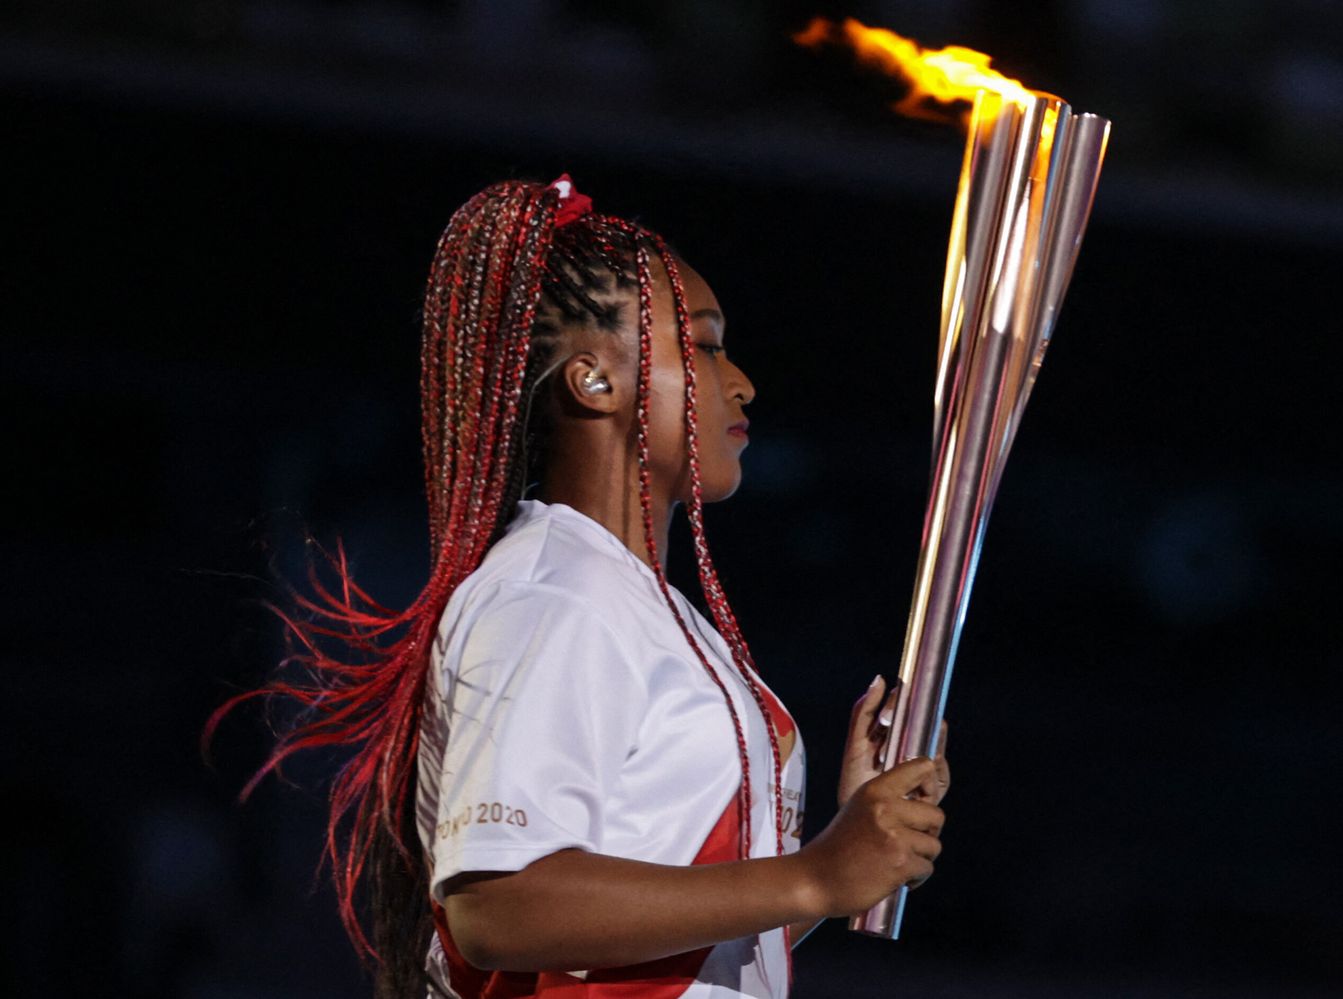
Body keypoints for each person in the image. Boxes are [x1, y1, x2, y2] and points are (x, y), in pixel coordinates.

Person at [212, 177, 951, 999]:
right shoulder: (552, 592)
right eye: (702, 346)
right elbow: (500, 905)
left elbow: (669, 962)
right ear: (595, 380)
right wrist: (814, 875)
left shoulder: (653, 611)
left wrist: (845, 851)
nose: (740, 381)